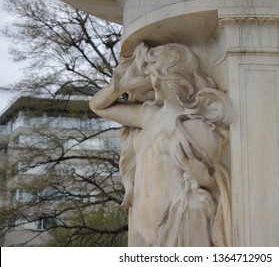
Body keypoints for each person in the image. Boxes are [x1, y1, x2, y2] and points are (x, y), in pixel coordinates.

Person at [90, 42, 231, 246]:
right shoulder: (148, 115)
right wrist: (118, 86)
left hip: (177, 220)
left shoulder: (193, 124)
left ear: (173, 77)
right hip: (141, 222)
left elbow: (219, 179)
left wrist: (201, 175)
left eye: (155, 73)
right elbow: (97, 107)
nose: (151, 80)